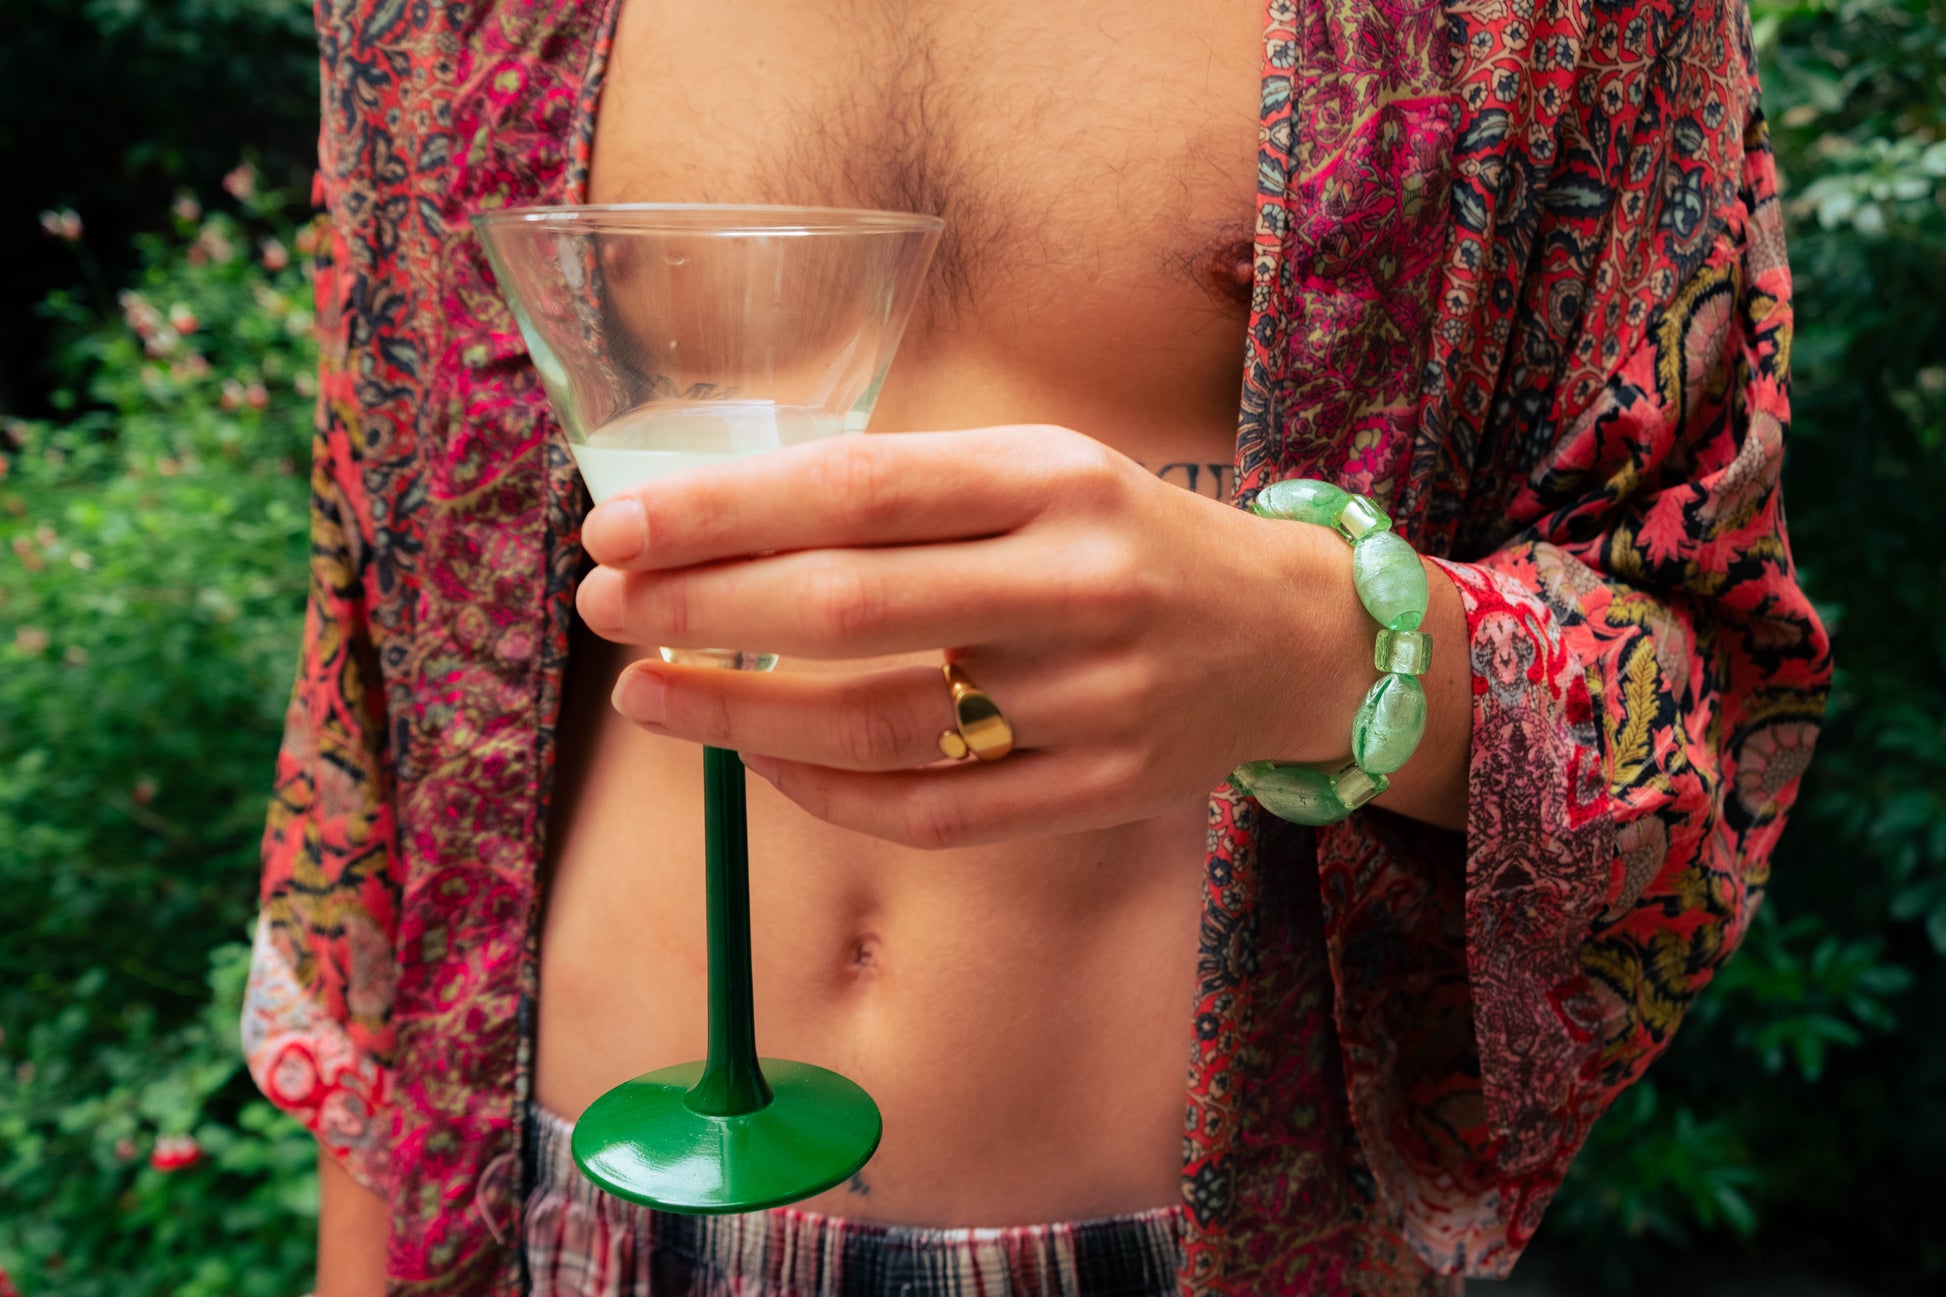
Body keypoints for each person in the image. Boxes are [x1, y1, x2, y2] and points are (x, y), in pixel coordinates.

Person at [241, 0, 1832, 1294]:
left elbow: (1707, 701)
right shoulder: (427, 19)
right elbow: (392, 669)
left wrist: (1332, 651)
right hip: (556, 1206)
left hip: (1197, 1248)